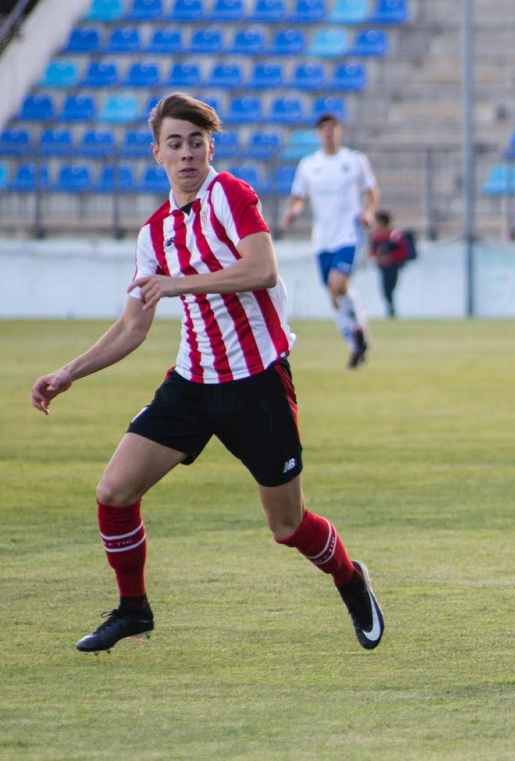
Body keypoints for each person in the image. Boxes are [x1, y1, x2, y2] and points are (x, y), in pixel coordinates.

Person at [29, 93, 384, 654]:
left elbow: (262, 269)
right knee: (114, 492)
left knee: (287, 527)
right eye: (176, 143)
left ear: (210, 146)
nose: (188, 154)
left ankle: (349, 576)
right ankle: (134, 610)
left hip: (258, 384)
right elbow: (132, 326)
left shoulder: (232, 194)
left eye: (197, 142)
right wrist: (68, 373)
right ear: (157, 154)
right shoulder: (155, 233)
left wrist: (178, 283)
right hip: (192, 384)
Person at [283, 112, 380, 369]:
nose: (329, 132)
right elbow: (297, 196)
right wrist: (293, 211)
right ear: (318, 133)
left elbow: (371, 191)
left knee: (338, 284)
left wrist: (368, 212)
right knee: (334, 294)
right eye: (324, 128)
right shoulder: (309, 165)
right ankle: (356, 343)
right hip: (322, 238)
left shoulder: (355, 160)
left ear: (340, 131)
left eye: (333, 128)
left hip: (348, 234)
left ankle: (358, 325)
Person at [368, 211, 414, 319]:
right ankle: (390, 310)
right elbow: (372, 252)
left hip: (393, 267)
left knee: (390, 289)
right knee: (385, 290)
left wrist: (390, 258)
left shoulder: (395, 236)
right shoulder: (376, 237)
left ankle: (391, 310)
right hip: (382, 268)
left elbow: (403, 252)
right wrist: (378, 258)